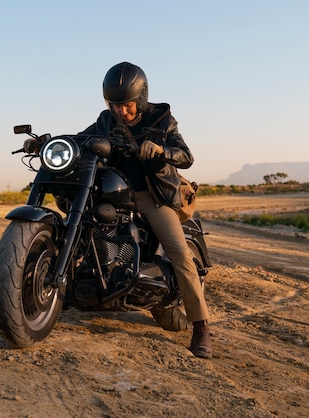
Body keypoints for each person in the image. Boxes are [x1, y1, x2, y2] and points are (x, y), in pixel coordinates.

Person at [80, 62, 212, 359]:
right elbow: (83, 139)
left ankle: (201, 327)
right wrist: (47, 142)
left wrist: (162, 151)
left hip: (152, 197)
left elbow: (186, 155)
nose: (121, 112)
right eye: (115, 106)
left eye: (126, 106)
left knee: (179, 254)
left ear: (139, 99)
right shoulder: (106, 120)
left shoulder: (162, 119)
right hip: (114, 196)